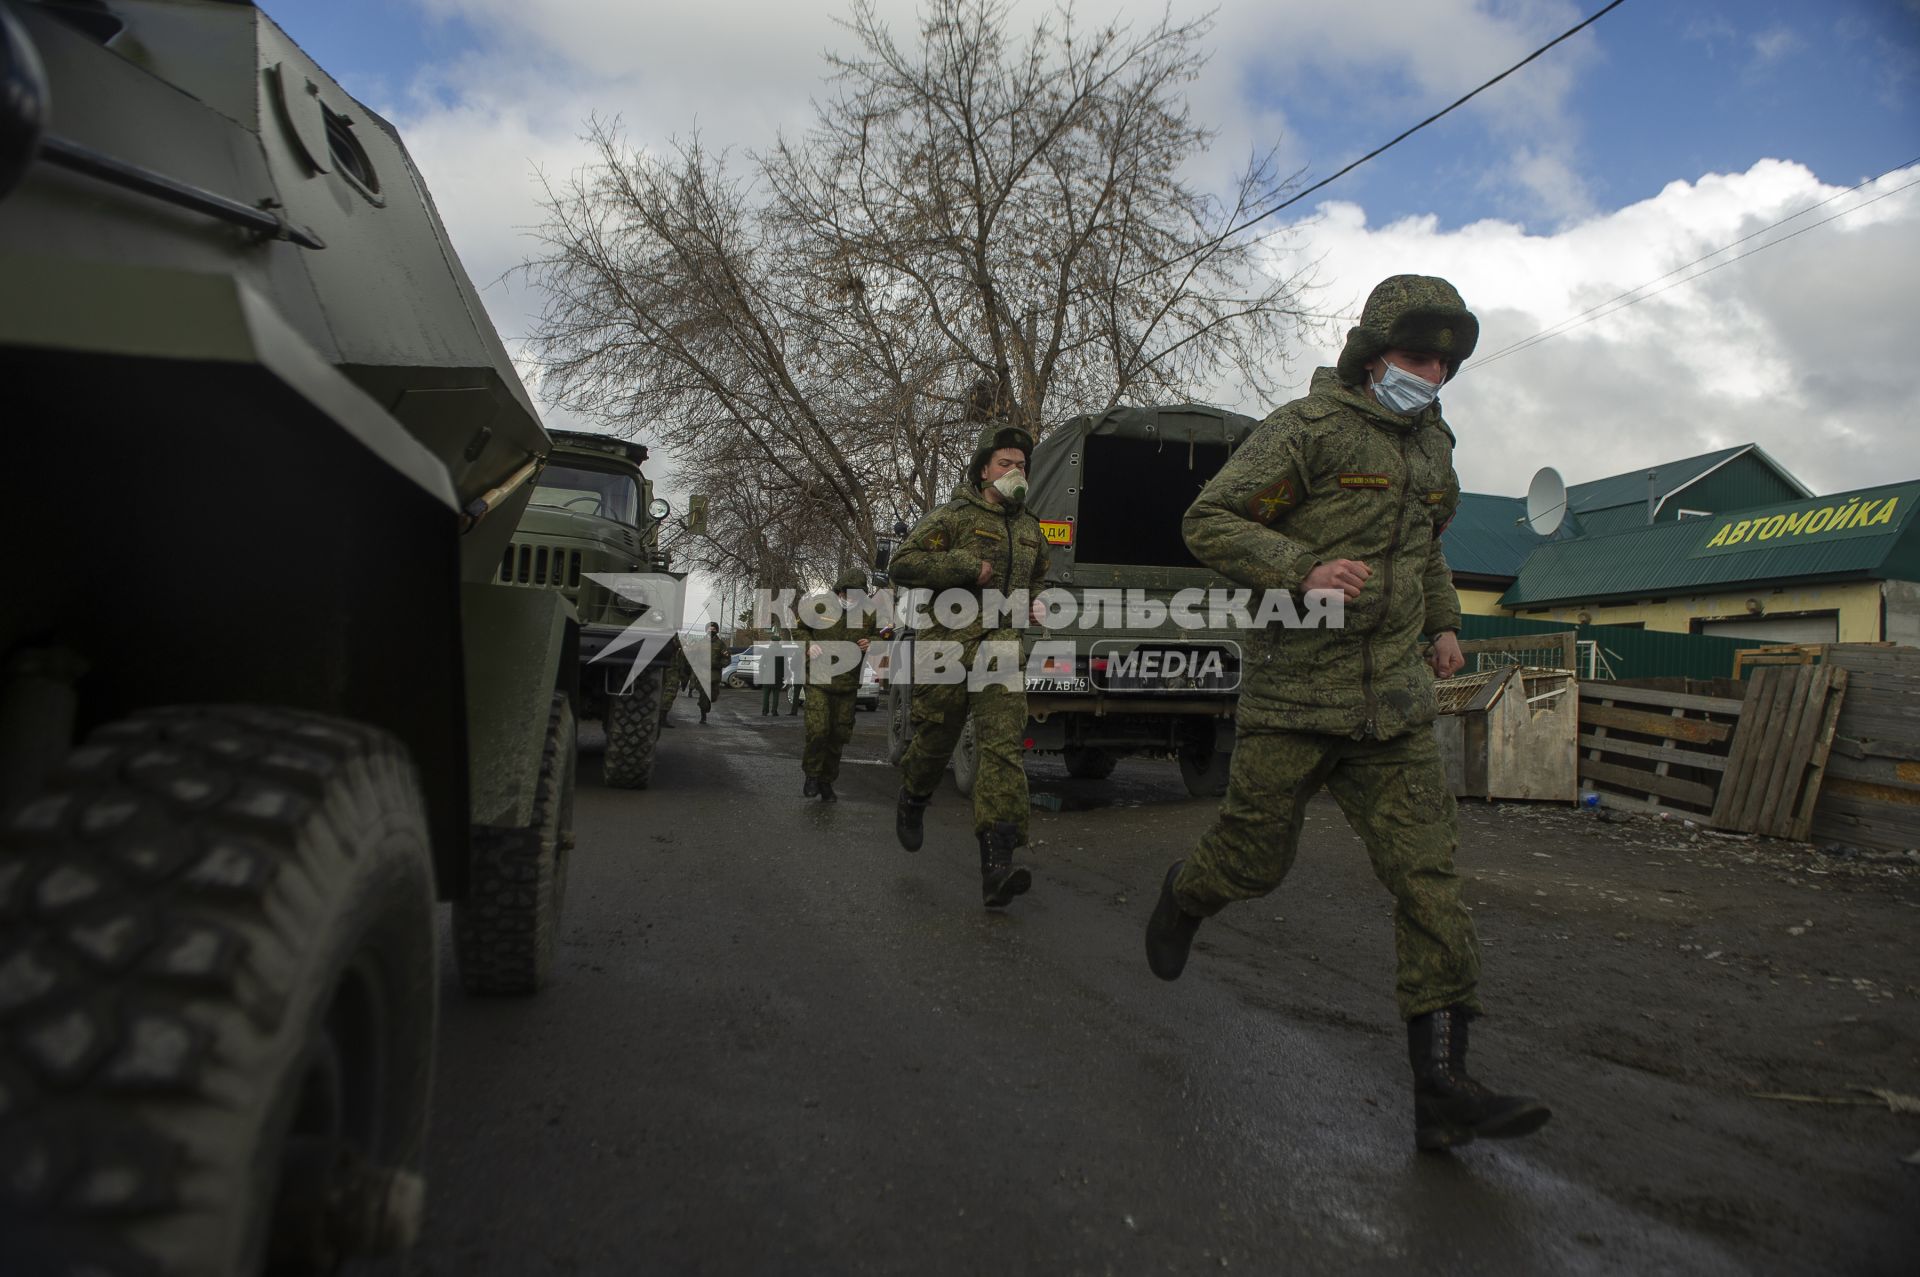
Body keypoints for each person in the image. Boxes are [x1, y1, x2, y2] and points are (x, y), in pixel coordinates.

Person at [1142, 275, 1550, 1152]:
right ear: (1373, 354)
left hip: (1394, 709)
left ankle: (1442, 1087)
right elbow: (1207, 520)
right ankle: (1186, 894)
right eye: (1416, 356)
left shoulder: (1434, 444)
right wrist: (1302, 568)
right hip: (1296, 697)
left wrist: (1443, 623)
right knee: (1255, 861)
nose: (1431, 373)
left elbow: (1425, 549)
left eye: (1444, 360)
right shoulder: (1307, 429)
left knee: (1428, 880)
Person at [889, 399, 1051, 908]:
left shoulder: (1030, 528)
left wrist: (1034, 604)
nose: (1015, 471)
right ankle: (914, 797)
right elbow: (904, 563)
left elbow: (1037, 575)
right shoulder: (953, 516)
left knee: (1002, 748)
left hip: (1001, 647)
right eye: (1006, 463)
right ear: (985, 470)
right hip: (947, 646)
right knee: (936, 736)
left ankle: (998, 864)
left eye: (1022, 465)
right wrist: (962, 565)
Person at [800, 569, 876, 801]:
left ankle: (826, 782)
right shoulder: (820, 605)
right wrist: (808, 644)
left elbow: (885, 635)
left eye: (857, 594)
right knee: (819, 730)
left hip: (847, 683)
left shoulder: (869, 613)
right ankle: (812, 774)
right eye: (848, 593)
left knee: (838, 735)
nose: (852, 598)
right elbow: (799, 628)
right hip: (819, 680)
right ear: (840, 590)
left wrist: (873, 642)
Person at [696, 620, 725, 723]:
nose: (711, 630)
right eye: (709, 628)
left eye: (713, 629)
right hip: (702, 675)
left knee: (712, 696)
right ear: (706, 630)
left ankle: (707, 704)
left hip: (715, 675)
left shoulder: (720, 644)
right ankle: (703, 716)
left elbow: (727, 658)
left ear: (716, 630)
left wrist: (719, 664)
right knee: (703, 696)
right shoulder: (701, 643)